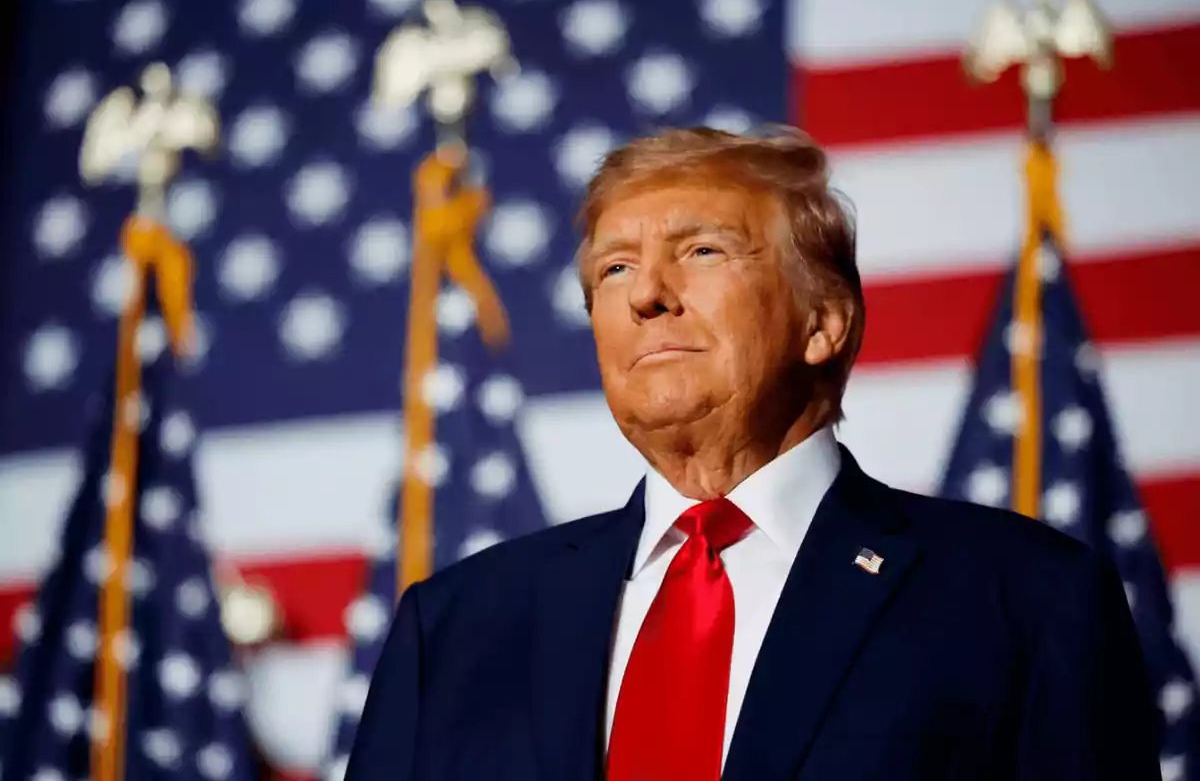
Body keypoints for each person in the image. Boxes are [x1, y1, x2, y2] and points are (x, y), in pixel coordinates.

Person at [345, 126, 1161, 780]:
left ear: (823, 323)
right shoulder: (454, 628)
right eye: (614, 268)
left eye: (701, 251)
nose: (646, 294)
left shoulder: (1022, 597)